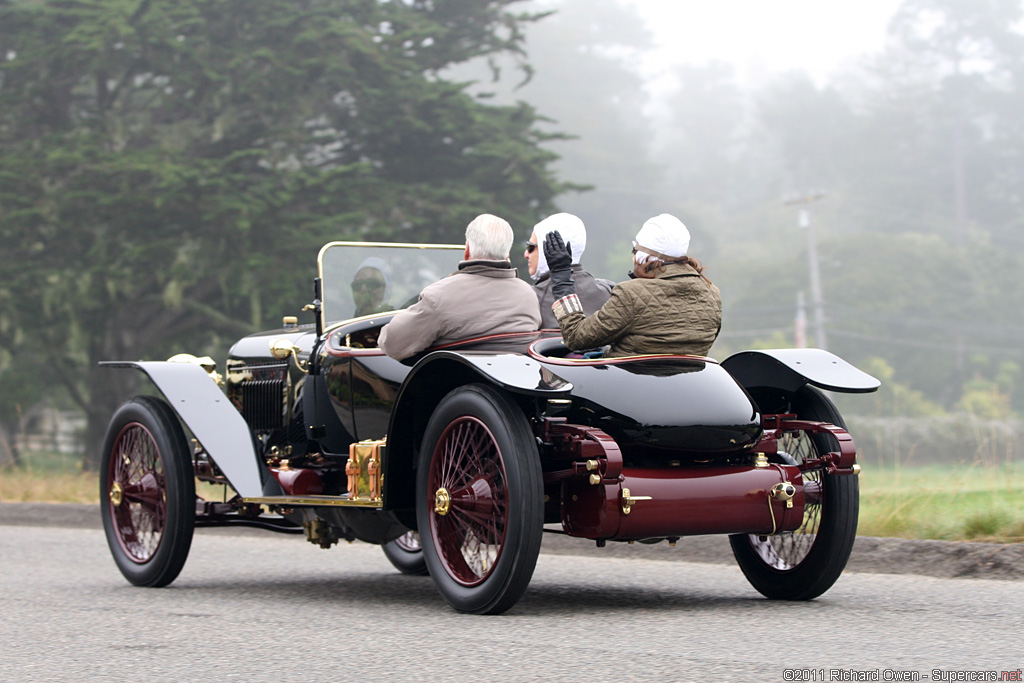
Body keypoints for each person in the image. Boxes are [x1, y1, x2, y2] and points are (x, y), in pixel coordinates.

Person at [543, 213, 721, 357]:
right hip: (687, 387)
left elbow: (576, 338)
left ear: (645, 256)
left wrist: (561, 279)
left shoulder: (630, 293)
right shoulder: (712, 293)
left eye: (635, 250)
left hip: (631, 389)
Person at [378, 214, 541, 361]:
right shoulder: (528, 294)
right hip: (515, 389)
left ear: (467, 249)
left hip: (452, 389)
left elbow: (392, 344)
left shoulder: (439, 296)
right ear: (507, 254)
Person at [524, 213, 613, 329]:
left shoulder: (532, 297)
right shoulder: (609, 291)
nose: (526, 254)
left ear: (547, 248)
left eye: (531, 247)